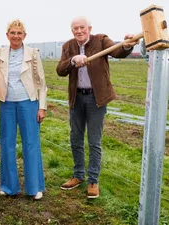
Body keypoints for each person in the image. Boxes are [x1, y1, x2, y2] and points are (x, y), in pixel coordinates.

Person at [56, 16, 137, 198]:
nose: (79, 31)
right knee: (76, 139)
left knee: (94, 141)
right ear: (72, 31)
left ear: (89, 28)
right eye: (75, 28)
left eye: (82, 27)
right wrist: (72, 61)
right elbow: (60, 70)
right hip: (76, 98)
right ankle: (78, 176)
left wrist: (127, 44)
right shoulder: (68, 46)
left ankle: (93, 180)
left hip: (96, 99)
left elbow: (118, 52)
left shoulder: (101, 40)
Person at [0, 19, 47, 200]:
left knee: (31, 144)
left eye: (19, 33)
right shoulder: (1, 53)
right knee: (6, 143)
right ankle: (8, 186)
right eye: (12, 33)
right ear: (7, 35)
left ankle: (34, 188)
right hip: (6, 103)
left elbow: (42, 83)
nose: (16, 36)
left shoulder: (33, 54)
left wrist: (42, 107)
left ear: (24, 36)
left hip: (28, 103)